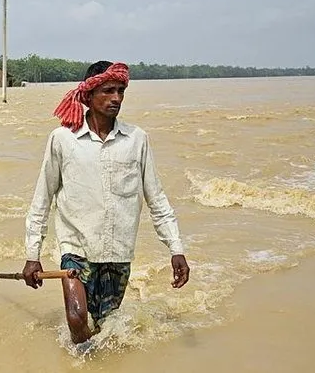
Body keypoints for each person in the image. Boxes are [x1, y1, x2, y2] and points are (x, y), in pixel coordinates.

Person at [22, 61, 190, 344]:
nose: (116, 98)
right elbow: (43, 197)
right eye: (108, 91)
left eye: (121, 91)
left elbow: (156, 197)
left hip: (118, 250)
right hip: (76, 249)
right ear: (87, 95)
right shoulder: (63, 138)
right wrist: (32, 254)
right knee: (77, 321)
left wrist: (176, 249)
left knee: (105, 328)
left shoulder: (136, 139)